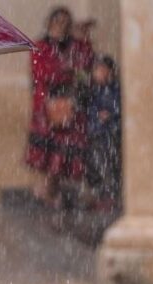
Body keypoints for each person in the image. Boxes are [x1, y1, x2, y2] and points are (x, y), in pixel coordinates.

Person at [26, 6, 95, 207]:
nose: (61, 27)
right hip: (47, 106)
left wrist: (84, 38)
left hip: (70, 105)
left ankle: (56, 193)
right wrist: (68, 71)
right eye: (58, 22)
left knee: (67, 152)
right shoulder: (40, 46)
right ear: (50, 24)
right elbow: (44, 73)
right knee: (50, 154)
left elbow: (85, 64)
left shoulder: (75, 45)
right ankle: (49, 191)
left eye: (66, 23)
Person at [86, 54, 122, 212]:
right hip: (97, 132)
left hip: (110, 133)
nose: (97, 73)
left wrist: (111, 114)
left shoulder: (115, 90)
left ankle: (111, 195)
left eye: (100, 70)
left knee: (110, 164)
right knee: (98, 164)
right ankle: (102, 195)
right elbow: (91, 108)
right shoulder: (95, 90)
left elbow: (118, 107)